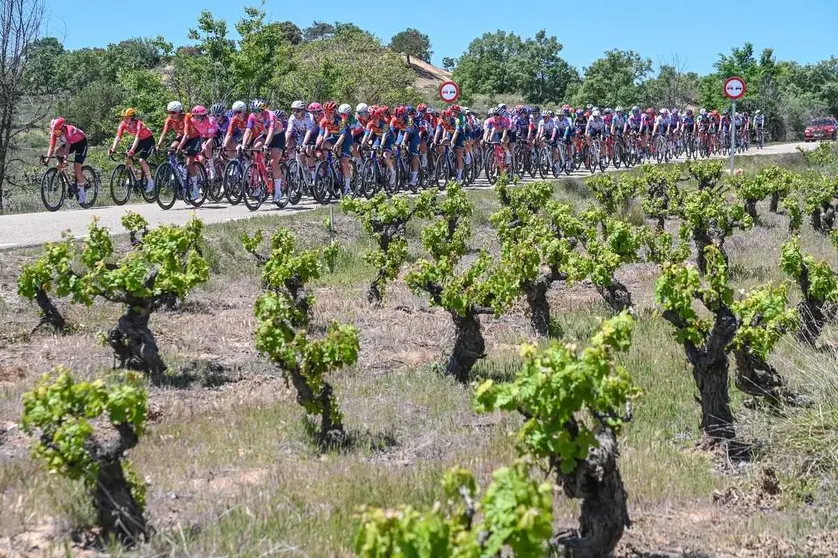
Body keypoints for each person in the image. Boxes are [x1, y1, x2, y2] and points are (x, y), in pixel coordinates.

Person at [109, 108, 156, 193]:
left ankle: (150, 181)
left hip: (149, 141)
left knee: (142, 160)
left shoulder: (139, 124)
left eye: (127, 118)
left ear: (132, 118)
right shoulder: (123, 124)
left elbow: (137, 138)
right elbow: (118, 137)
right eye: (124, 118)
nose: (125, 120)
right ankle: (135, 175)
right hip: (140, 141)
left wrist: (132, 150)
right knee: (127, 153)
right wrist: (113, 149)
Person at [43, 117, 89, 203]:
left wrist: (65, 160)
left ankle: (82, 194)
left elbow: (67, 148)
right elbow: (51, 147)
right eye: (54, 131)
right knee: (57, 152)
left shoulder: (69, 131)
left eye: (57, 131)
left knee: (77, 168)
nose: (55, 133)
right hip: (71, 143)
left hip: (81, 143)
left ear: (62, 128)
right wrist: (47, 159)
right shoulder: (54, 132)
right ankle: (68, 178)